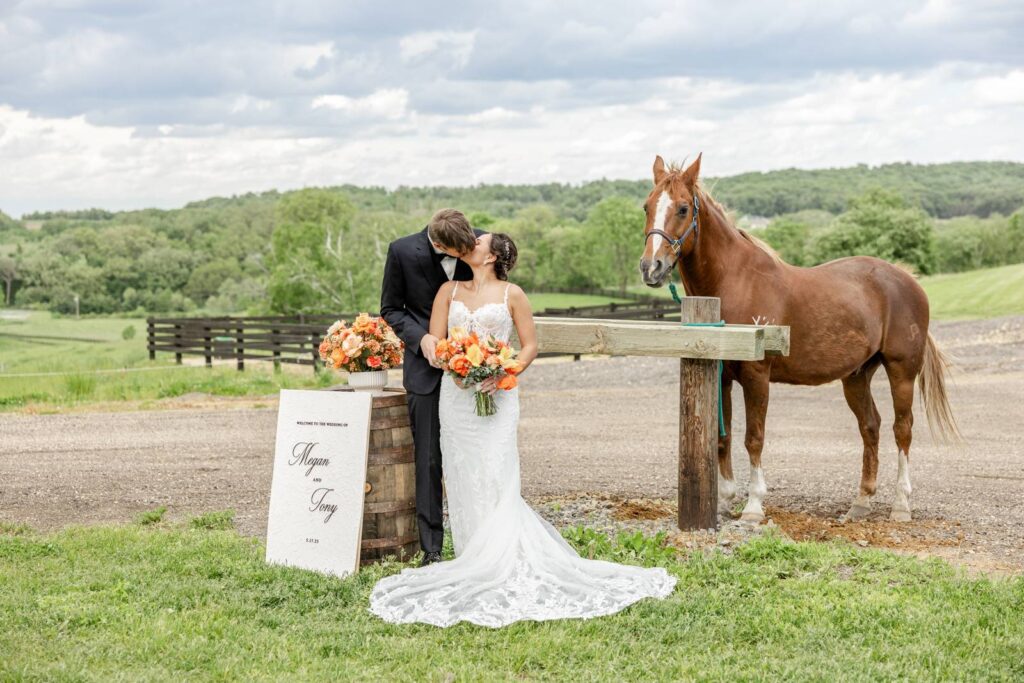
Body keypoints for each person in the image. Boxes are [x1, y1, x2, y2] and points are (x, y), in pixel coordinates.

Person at [370, 232, 676, 628]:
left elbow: (529, 345)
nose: (472, 243)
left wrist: (502, 372)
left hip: (499, 395)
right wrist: (458, 367)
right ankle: (471, 554)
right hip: (456, 395)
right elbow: (439, 342)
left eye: (479, 242)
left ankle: (504, 554)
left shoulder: (513, 294)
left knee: (497, 469)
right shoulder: (448, 290)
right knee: (462, 471)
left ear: (493, 255)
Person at [379, 209, 483, 566]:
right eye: (457, 252)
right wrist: (421, 339)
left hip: (476, 370)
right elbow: (391, 309)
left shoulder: (483, 243)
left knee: (478, 455)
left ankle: (483, 540)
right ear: (437, 243)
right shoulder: (402, 251)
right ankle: (432, 549)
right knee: (428, 458)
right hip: (425, 371)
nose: (466, 255)